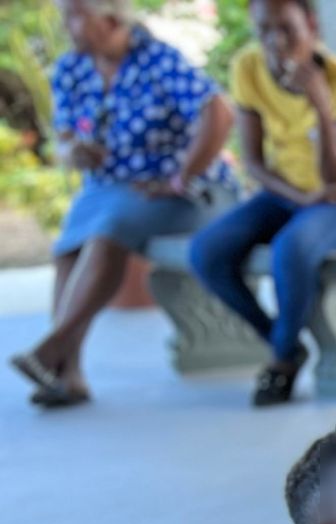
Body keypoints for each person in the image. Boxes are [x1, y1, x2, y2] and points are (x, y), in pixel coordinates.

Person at [10, 0, 234, 408]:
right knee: (67, 250)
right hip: (109, 188)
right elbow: (62, 136)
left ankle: (53, 348)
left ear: (110, 19)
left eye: (76, 15)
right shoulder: (72, 69)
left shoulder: (157, 61)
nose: (67, 25)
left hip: (174, 191)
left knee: (106, 233)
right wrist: (73, 150)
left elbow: (219, 112)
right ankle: (69, 374)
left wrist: (182, 175)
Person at [187, 0, 336, 406]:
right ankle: (284, 341)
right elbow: (254, 163)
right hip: (289, 195)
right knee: (207, 251)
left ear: (312, 26)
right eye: (264, 30)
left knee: (293, 248)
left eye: (287, 28)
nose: (276, 41)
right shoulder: (248, 68)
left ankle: (282, 360)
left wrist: (320, 105)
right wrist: (300, 197)